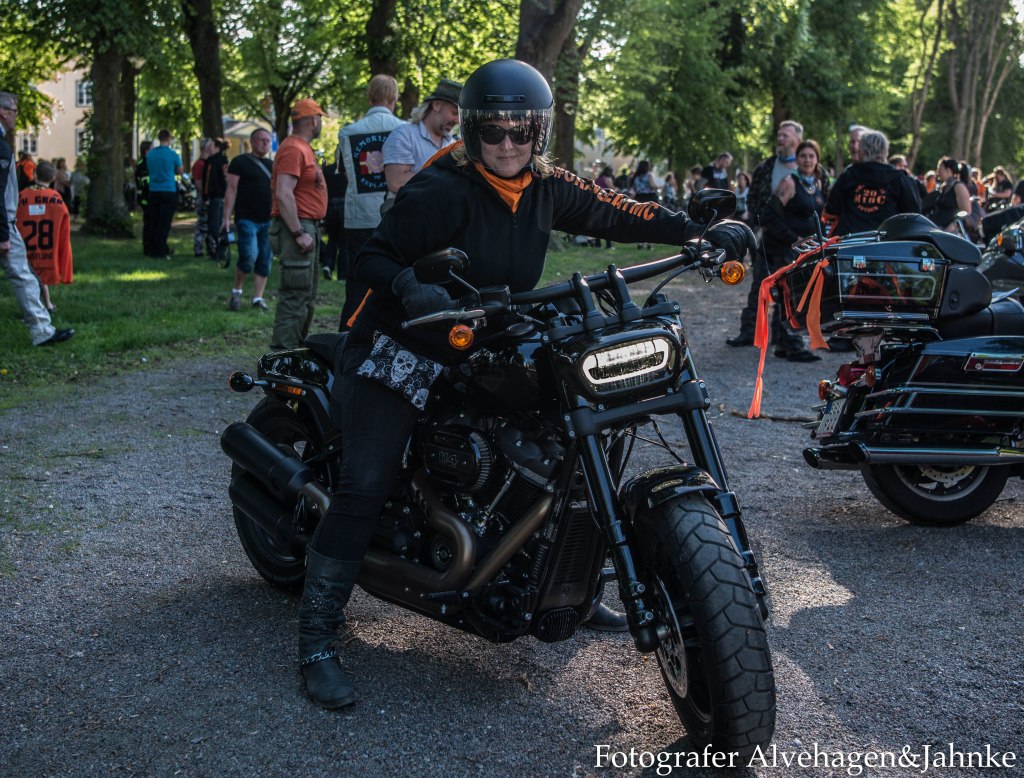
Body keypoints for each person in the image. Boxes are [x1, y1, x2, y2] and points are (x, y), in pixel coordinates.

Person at [294, 58, 755, 711]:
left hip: (489, 334)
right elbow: (371, 255)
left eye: (521, 131)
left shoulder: (545, 183)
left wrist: (698, 231)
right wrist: (410, 285)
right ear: (473, 129)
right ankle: (317, 638)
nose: (507, 144)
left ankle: (568, 584)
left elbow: (619, 210)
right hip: (405, 340)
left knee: (564, 435)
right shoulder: (441, 188)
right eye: (494, 130)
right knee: (366, 480)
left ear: (538, 131)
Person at [0, 91, 73, 346]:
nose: (16, 116)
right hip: (4, 223)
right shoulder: (1, 147)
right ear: (3, 112)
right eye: (15, 111)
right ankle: (42, 330)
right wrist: (3, 233)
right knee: (24, 276)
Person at [725, 119, 803, 348]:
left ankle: (783, 336)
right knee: (759, 287)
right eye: (779, 134)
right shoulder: (766, 167)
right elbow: (752, 199)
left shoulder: (806, 168)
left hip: (794, 241)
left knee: (789, 290)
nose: (780, 138)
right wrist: (760, 222)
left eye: (785, 135)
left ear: (797, 139)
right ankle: (749, 332)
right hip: (767, 238)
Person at [337, 74, 404, 330]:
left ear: (369, 96)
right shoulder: (403, 129)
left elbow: (344, 172)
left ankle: (347, 335)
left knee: (356, 282)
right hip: (392, 216)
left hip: (358, 217)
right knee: (392, 279)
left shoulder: (347, 132)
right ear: (394, 98)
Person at [758, 139, 830, 362]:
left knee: (788, 295)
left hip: (806, 251)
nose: (807, 160)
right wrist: (793, 239)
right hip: (785, 249)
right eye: (803, 156)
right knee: (794, 296)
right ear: (796, 159)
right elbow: (768, 216)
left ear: (817, 159)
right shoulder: (789, 183)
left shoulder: (816, 184)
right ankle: (795, 346)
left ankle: (783, 344)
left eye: (811, 156)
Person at [269, 99, 328, 349]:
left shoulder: (301, 148)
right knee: (295, 296)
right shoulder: (294, 148)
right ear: (313, 120)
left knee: (305, 296)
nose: (321, 123)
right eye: (320, 118)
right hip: (297, 228)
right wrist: (298, 232)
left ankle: (294, 351)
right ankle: (282, 354)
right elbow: (284, 193)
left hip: (305, 227)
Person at [822, 129, 920, 237]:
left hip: (850, 240)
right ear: (885, 151)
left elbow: (831, 210)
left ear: (862, 150)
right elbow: (913, 213)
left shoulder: (848, 176)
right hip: (886, 241)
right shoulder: (899, 178)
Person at [223, 127, 275, 312]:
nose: (265, 143)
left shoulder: (273, 165)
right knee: (249, 256)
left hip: (268, 220)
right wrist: (226, 218)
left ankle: (257, 298)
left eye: (268, 140)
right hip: (246, 218)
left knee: (265, 259)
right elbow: (231, 190)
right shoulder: (240, 162)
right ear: (252, 142)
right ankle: (237, 292)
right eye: (261, 139)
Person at [382, 78, 462, 196]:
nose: (457, 120)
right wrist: (445, 179)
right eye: (454, 113)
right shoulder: (404, 135)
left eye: (460, 116)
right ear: (437, 105)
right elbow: (396, 182)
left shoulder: (453, 144)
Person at [17, 160, 73, 313]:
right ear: (53, 178)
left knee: (30, 279)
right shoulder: (56, 199)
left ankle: (38, 307)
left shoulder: (22, 196)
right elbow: (64, 226)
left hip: (26, 249)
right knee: (41, 277)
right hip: (47, 250)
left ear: (34, 175)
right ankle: (46, 305)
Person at [143, 129, 183, 259]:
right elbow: (180, 171)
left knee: (154, 221)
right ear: (168, 139)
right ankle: (160, 249)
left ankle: (152, 247)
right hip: (168, 190)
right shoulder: (173, 155)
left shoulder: (151, 154)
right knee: (164, 223)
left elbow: (149, 168)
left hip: (154, 190)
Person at [320, 147, 347, 281]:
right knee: (344, 243)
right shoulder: (348, 171)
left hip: (330, 208)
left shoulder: (327, 170)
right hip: (345, 209)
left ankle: (328, 265)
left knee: (332, 239)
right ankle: (342, 274)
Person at [926, 156, 972, 232]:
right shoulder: (943, 187)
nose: (938, 173)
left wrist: (948, 230)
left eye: (940, 170)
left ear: (949, 170)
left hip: (950, 232)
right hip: (937, 229)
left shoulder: (958, 187)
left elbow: (966, 212)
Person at [203, 138, 229, 257]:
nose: (208, 148)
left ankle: (217, 250)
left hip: (215, 197)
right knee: (222, 224)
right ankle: (222, 248)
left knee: (214, 224)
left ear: (217, 147)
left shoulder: (211, 162)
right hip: (224, 196)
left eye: (211, 146)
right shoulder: (224, 160)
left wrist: (205, 196)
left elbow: (208, 181)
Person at [191, 139, 213, 257]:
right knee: (202, 224)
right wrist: (205, 196)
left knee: (209, 223)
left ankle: (210, 247)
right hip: (203, 198)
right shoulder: (199, 164)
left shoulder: (209, 163)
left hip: (208, 197)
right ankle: (198, 248)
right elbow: (198, 183)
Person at [630, 160, 658, 249]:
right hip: (650, 198)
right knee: (650, 221)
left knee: (640, 221)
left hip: (639, 198)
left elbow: (633, 188)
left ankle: (640, 243)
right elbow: (653, 185)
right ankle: (649, 244)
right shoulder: (649, 175)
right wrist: (657, 186)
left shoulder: (635, 176)